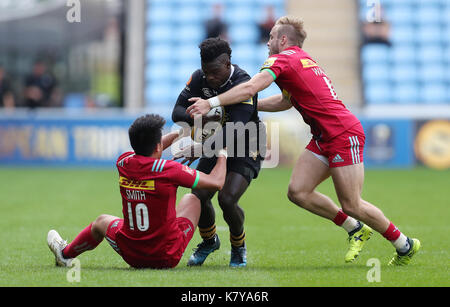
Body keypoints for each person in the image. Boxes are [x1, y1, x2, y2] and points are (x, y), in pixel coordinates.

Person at [186, 16, 420, 266]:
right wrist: (245, 108)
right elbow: (285, 101)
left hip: (342, 133)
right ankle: (354, 228)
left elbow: (250, 88)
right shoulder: (302, 60)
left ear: (283, 40)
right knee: (298, 192)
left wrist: (211, 103)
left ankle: (404, 244)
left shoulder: (282, 59)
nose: (268, 43)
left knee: (352, 203)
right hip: (323, 136)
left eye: (272, 37)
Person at [47, 114, 228, 269]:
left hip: (131, 254)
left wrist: (181, 132)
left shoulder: (123, 162)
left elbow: (145, 150)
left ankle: (66, 253)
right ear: (158, 146)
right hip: (167, 256)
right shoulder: (170, 169)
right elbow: (217, 182)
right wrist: (223, 151)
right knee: (192, 199)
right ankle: (210, 240)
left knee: (101, 221)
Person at [172, 37, 265, 267]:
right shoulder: (198, 78)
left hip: (246, 144)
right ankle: (209, 240)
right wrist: (198, 116)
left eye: (214, 72)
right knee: (198, 196)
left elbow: (237, 128)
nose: (210, 78)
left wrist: (202, 148)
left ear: (227, 63)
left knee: (227, 198)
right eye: (206, 72)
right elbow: (177, 111)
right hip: (215, 143)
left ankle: (238, 246)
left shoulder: (244, 84)